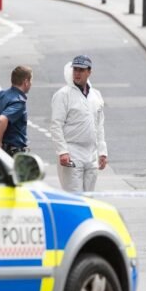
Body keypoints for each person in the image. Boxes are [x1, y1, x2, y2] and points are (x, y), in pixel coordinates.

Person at [50, 55, 108, 192]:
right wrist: (62, 151)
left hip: (91, 153)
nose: (77, 73)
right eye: (75, 69)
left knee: (89, 197)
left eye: (81, 70)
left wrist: (102, 151)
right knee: (74, 197)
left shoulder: (96, 95)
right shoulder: (63, 95)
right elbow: (56, 125)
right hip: (72, 152)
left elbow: (99, 125)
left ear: (89, 72)